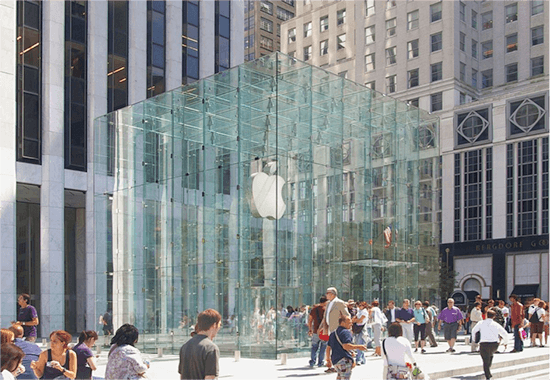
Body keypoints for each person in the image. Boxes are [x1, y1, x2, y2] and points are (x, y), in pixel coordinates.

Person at [178, 309, 221, 380]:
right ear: (214, 325)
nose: (219, 328)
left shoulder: (185, 346)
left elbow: (182, 375)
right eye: (219, 325)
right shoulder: (211, 348)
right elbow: (210, 377)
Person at [471, 309, 509, 380]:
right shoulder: (496, 324)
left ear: (486, 315)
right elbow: (504, 333)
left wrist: (475, 340)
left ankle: (488, 376)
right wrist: (505, 342)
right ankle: (488, 369)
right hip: (494, 344)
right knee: (490, 355)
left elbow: (474, 331)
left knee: (485, 360)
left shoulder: (481, 323)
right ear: (494, 317)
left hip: (484, 343)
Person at [326, 315, 367, 380]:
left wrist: (328, 359)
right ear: (342, 323)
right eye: (349, 323)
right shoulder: (346, 332)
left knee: (340, 377)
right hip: (344, 360)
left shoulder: (333, 333)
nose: (351, 325)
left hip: (335, 361)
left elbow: (328, 348)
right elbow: (346, 346)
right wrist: (359, 347)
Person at [308, 296, 328, 368]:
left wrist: (310, 329)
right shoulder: (326, 309)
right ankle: (320, 362)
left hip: (315, 331)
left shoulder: (314, 309)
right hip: (324, 331)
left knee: (314, 347)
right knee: (323, 347)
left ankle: (312, 361)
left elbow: (310, 320)